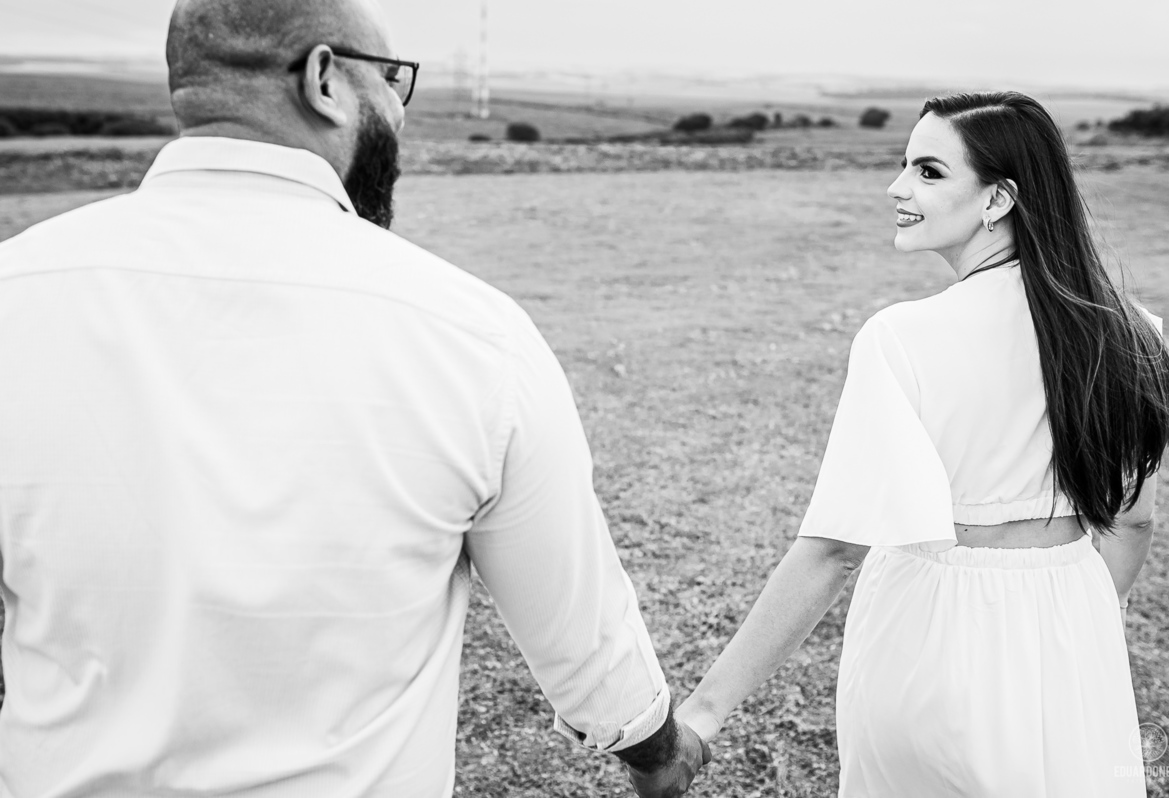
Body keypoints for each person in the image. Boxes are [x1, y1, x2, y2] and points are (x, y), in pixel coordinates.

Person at [0, 1, 708, 796]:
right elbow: (580, 631)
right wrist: (657, 750)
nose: (398, 111)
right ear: (326, 79)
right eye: (394, 81)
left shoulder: (15, 292)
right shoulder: (471, 334)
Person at [676, 91, 1169, 797]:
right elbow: (1134, 518)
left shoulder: (901, 338)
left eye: (929, 171)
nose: (897, 187)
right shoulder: (1132, 331)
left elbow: (831, 549)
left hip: (929, 630)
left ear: (998, 200)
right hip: (1073, 616)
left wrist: (702, 714)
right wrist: (1084, 616)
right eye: (904, 164)